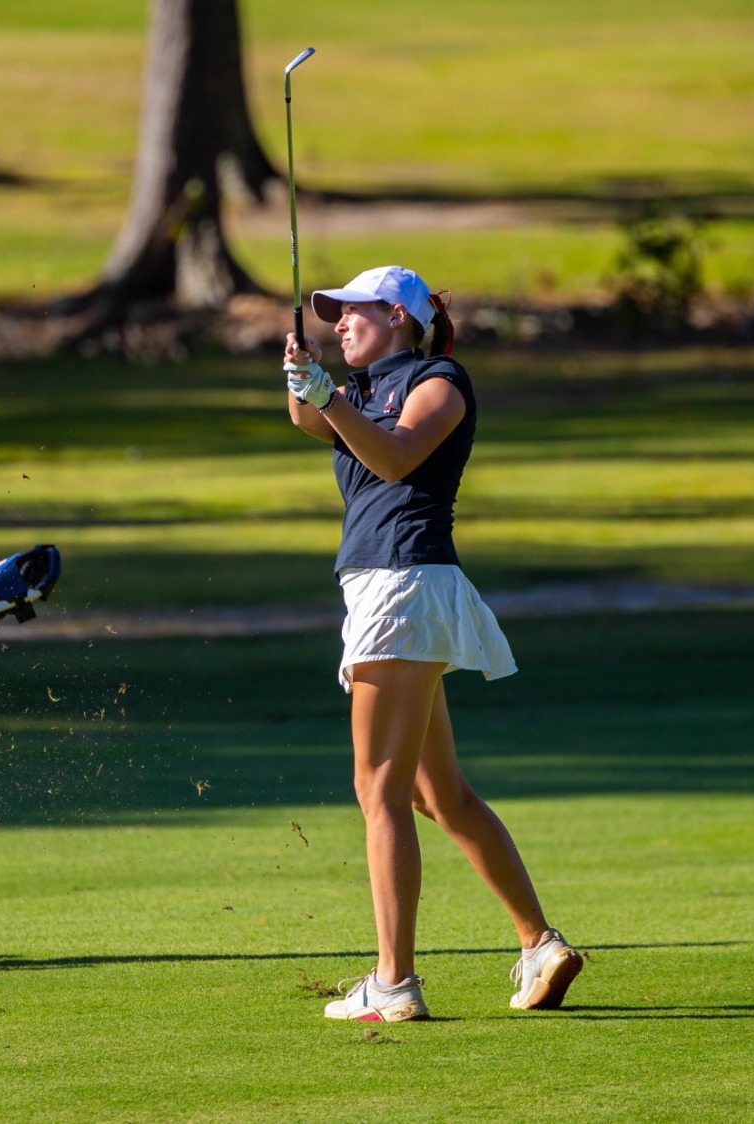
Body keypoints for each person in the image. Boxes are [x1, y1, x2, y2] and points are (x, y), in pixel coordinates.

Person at [283, 266, 582, 1022]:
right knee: (434, 794)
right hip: (395, 595)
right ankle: (540, 945)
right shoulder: (357, 394)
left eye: (352, 313)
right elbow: (311, 422)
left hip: (403, 586)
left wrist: (323, 395)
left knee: (376, 791)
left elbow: (394, 456)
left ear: (396, 316)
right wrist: (301, 380)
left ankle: (393, 982)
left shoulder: (440, 382)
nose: (339, 323)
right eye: (333, 316)